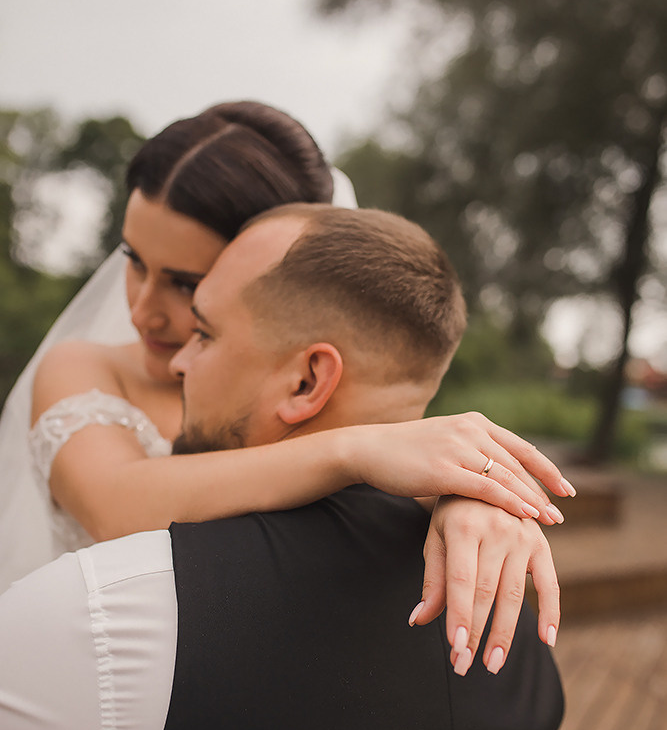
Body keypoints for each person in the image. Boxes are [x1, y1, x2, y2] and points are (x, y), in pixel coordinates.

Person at [0, 205, 563, 730]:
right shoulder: (520, 633)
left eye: (203, 332)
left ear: (305, 382)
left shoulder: (104, 618)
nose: (176, 360)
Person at [0, 99, 572, 642]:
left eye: (184, 283)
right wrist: (354, 451)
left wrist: (465, 496)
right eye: (134, 262)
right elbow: (113, 506)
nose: (141, 310)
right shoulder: (81, 369)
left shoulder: (309, 395)